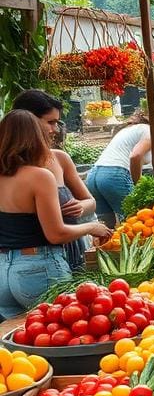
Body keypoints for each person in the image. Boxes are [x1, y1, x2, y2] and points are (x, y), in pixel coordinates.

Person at [0, 110, 112, 318]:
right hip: (38, 267)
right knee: (57, 334)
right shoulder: (40, 176)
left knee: (14, 344)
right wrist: (91, 227)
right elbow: (56, 234)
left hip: (3, 271)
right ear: (36, 137)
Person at [13, 89, 98, 271]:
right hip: (35, 261)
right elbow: (55, 234)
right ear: (28, 122)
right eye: (50, 122)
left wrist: (81, 207)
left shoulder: (59, 159)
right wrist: (91, 227)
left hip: (69, 252)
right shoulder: (9, 167)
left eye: (57, 122)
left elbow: (90, 201)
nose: (55, 130)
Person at [86, 104, 154, 227]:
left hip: (94, 176)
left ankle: (104, 245)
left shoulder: (133, 128)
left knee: (105, 226)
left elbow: (151, 157)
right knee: (136, 221)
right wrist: (138, 183)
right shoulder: (150, 131)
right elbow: (135, 156)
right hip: (115, 175)